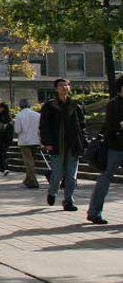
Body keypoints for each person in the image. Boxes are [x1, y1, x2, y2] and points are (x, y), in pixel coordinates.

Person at [40, 78, 86, 212]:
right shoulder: (50, 106)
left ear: (70, 88)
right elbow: (44, 126)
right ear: (56, 89)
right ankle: (52, 192)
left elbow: (82, 126)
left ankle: (68, 201)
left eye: (66, 85)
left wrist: (84, 141)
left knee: (71, 176)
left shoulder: (76, 105)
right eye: (61, 85)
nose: (64, 87)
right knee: (58, 174)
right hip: (56, 145)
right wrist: (47, 142)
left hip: (73, 145)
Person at [87, 75, 123, 224]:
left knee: (105, 179)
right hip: (114, 147)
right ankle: (94, 212)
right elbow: (110, 126)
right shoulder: (113, 104)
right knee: (105, 179)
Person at [14, 99, 41, 189]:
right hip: (35, 140)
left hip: (24, 141)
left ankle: (33, 181)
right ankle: (28, 179)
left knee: (28, 162)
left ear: (20, 106)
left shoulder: (19, 115)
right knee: (32, 161)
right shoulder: (37, 115)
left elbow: (17, 130)